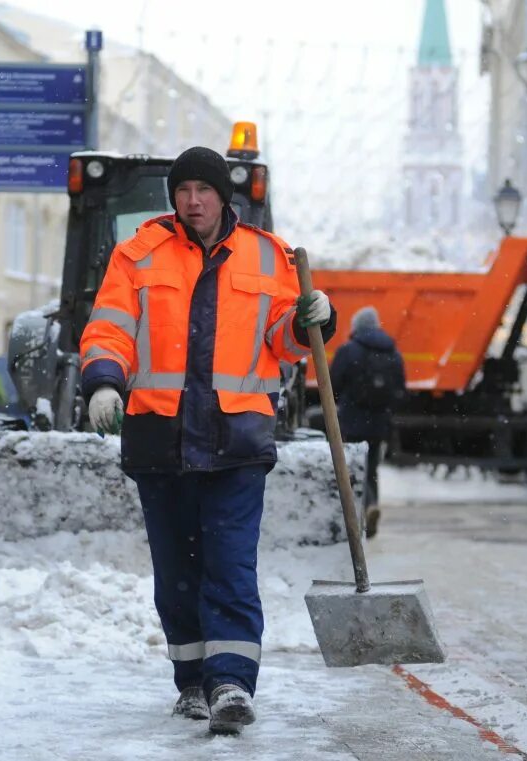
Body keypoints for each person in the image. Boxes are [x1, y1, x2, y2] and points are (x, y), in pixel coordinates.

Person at [78, 146, 337, 734]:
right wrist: (102, 382)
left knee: (229, 566)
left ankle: (230, 684)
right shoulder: (137, 255)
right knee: (176, 573)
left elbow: (287, 345)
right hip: (158, 438)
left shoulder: (270, 258)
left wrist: (309, 321)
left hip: (236, 441)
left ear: (225, 197)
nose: (193, 201)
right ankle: (191, 683)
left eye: (204, 190)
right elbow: (109, 329)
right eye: (183, 190)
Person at [329, 306, 406, 538]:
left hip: (352, 419)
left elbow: (332, 383)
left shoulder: (349, 351)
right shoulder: (394, 353)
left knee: (352, 467)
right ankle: (372, 508)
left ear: (356, 327)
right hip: (379, 421)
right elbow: (401, 389)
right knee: (371, 467)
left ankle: (362, 511)